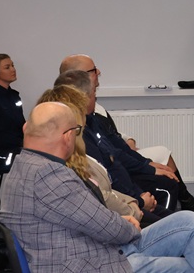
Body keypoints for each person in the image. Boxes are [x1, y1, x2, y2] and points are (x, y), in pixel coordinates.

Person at [0, 102, 194, 272]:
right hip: (89, 263)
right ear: (68, 136)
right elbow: (109, 229)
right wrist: (126, 223)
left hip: (88, 248)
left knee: (187, 221)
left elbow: (88, 219)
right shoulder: (50, 176)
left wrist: (119, 223)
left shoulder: (24, 166)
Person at [59, 54, 194, 218]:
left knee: (165, 167)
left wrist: (134, 147)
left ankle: (183, 207)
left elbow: (113, 140)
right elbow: (111, 166)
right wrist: (140, 197)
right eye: (93, 70)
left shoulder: (92, 114)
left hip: (126, 173)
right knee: (167, 186)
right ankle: (173, 214)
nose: (98, 72)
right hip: (123, 190)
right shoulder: (80, 125)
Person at [54, 67, 176, 219]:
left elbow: (116, 153)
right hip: (122, 206)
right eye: (94, 93)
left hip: (129, 195)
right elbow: (107, 184)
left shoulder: (93, 120)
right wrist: (138, 200)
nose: (95, 98)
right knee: (172, 215)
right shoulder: (79, 137)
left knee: (182, 219)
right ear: (83, 98)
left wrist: (145, 170)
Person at [36, 84, 147, 224]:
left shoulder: (75, 153)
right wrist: (134, 209)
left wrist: (132, 202)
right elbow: (98, 204)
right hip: (115, 220)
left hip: (122, 209)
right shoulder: (64, 166)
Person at [0, 53, 24, 220]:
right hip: (2, 152)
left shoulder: (14, 96)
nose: (13, 69)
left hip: (17, 148)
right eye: (7, 67)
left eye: (12, 65)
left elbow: (21, 124)